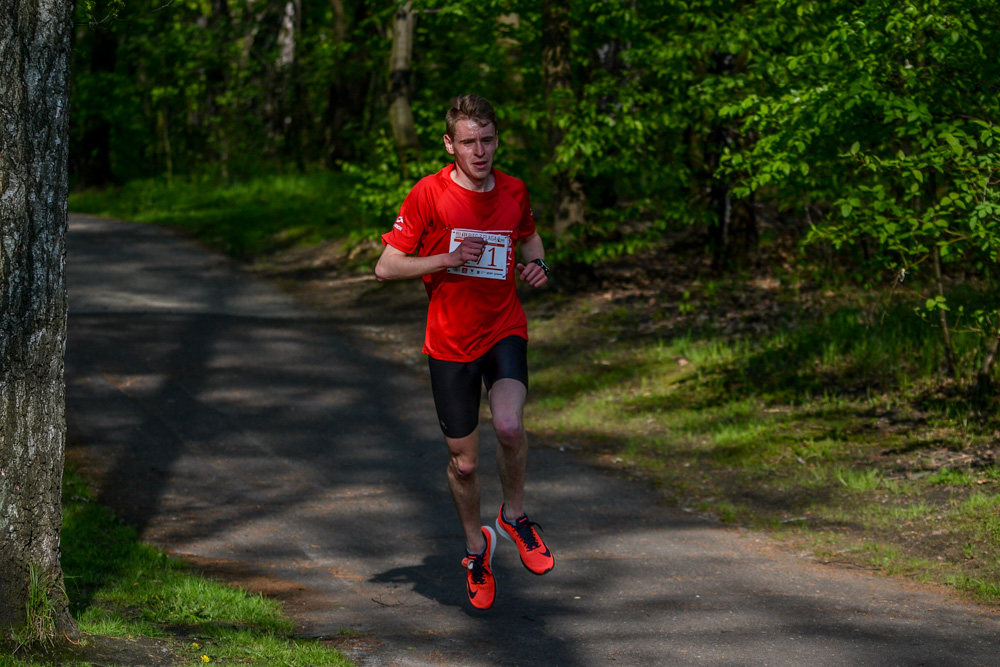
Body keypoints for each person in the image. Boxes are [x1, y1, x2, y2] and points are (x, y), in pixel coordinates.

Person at [374, 94, 554, 610]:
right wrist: (446, 258)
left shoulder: (515, 192)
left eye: (489, 140)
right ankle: (477, 548)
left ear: (498, 139)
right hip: (451, 342)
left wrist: (538, 267)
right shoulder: (428, 195)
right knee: (466, 464)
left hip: (503, 329)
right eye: (469, 142)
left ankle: (515, 517)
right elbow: (386, 268)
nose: (481, 152)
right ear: (450, 144)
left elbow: (531, 240)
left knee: (510, 427)